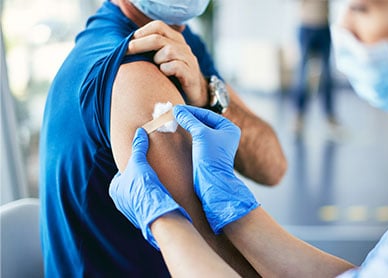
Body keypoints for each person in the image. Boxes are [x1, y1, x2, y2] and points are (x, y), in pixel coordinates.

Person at [110, 0, 388, 276]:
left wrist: (165, 221)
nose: (343, 28)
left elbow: (274, 166)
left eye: (363, 8)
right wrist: (238, 215)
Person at [39, 0, 287, 276]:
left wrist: (208, 96)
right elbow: (219, 265)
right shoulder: (132, 71)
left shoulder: (179, 41)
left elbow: (273, 167)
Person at [294, 0, 336, 135]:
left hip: (324, 27)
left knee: (327, 75)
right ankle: (298, 118)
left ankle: (330, 118)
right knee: (302, 75)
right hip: (306, 26)